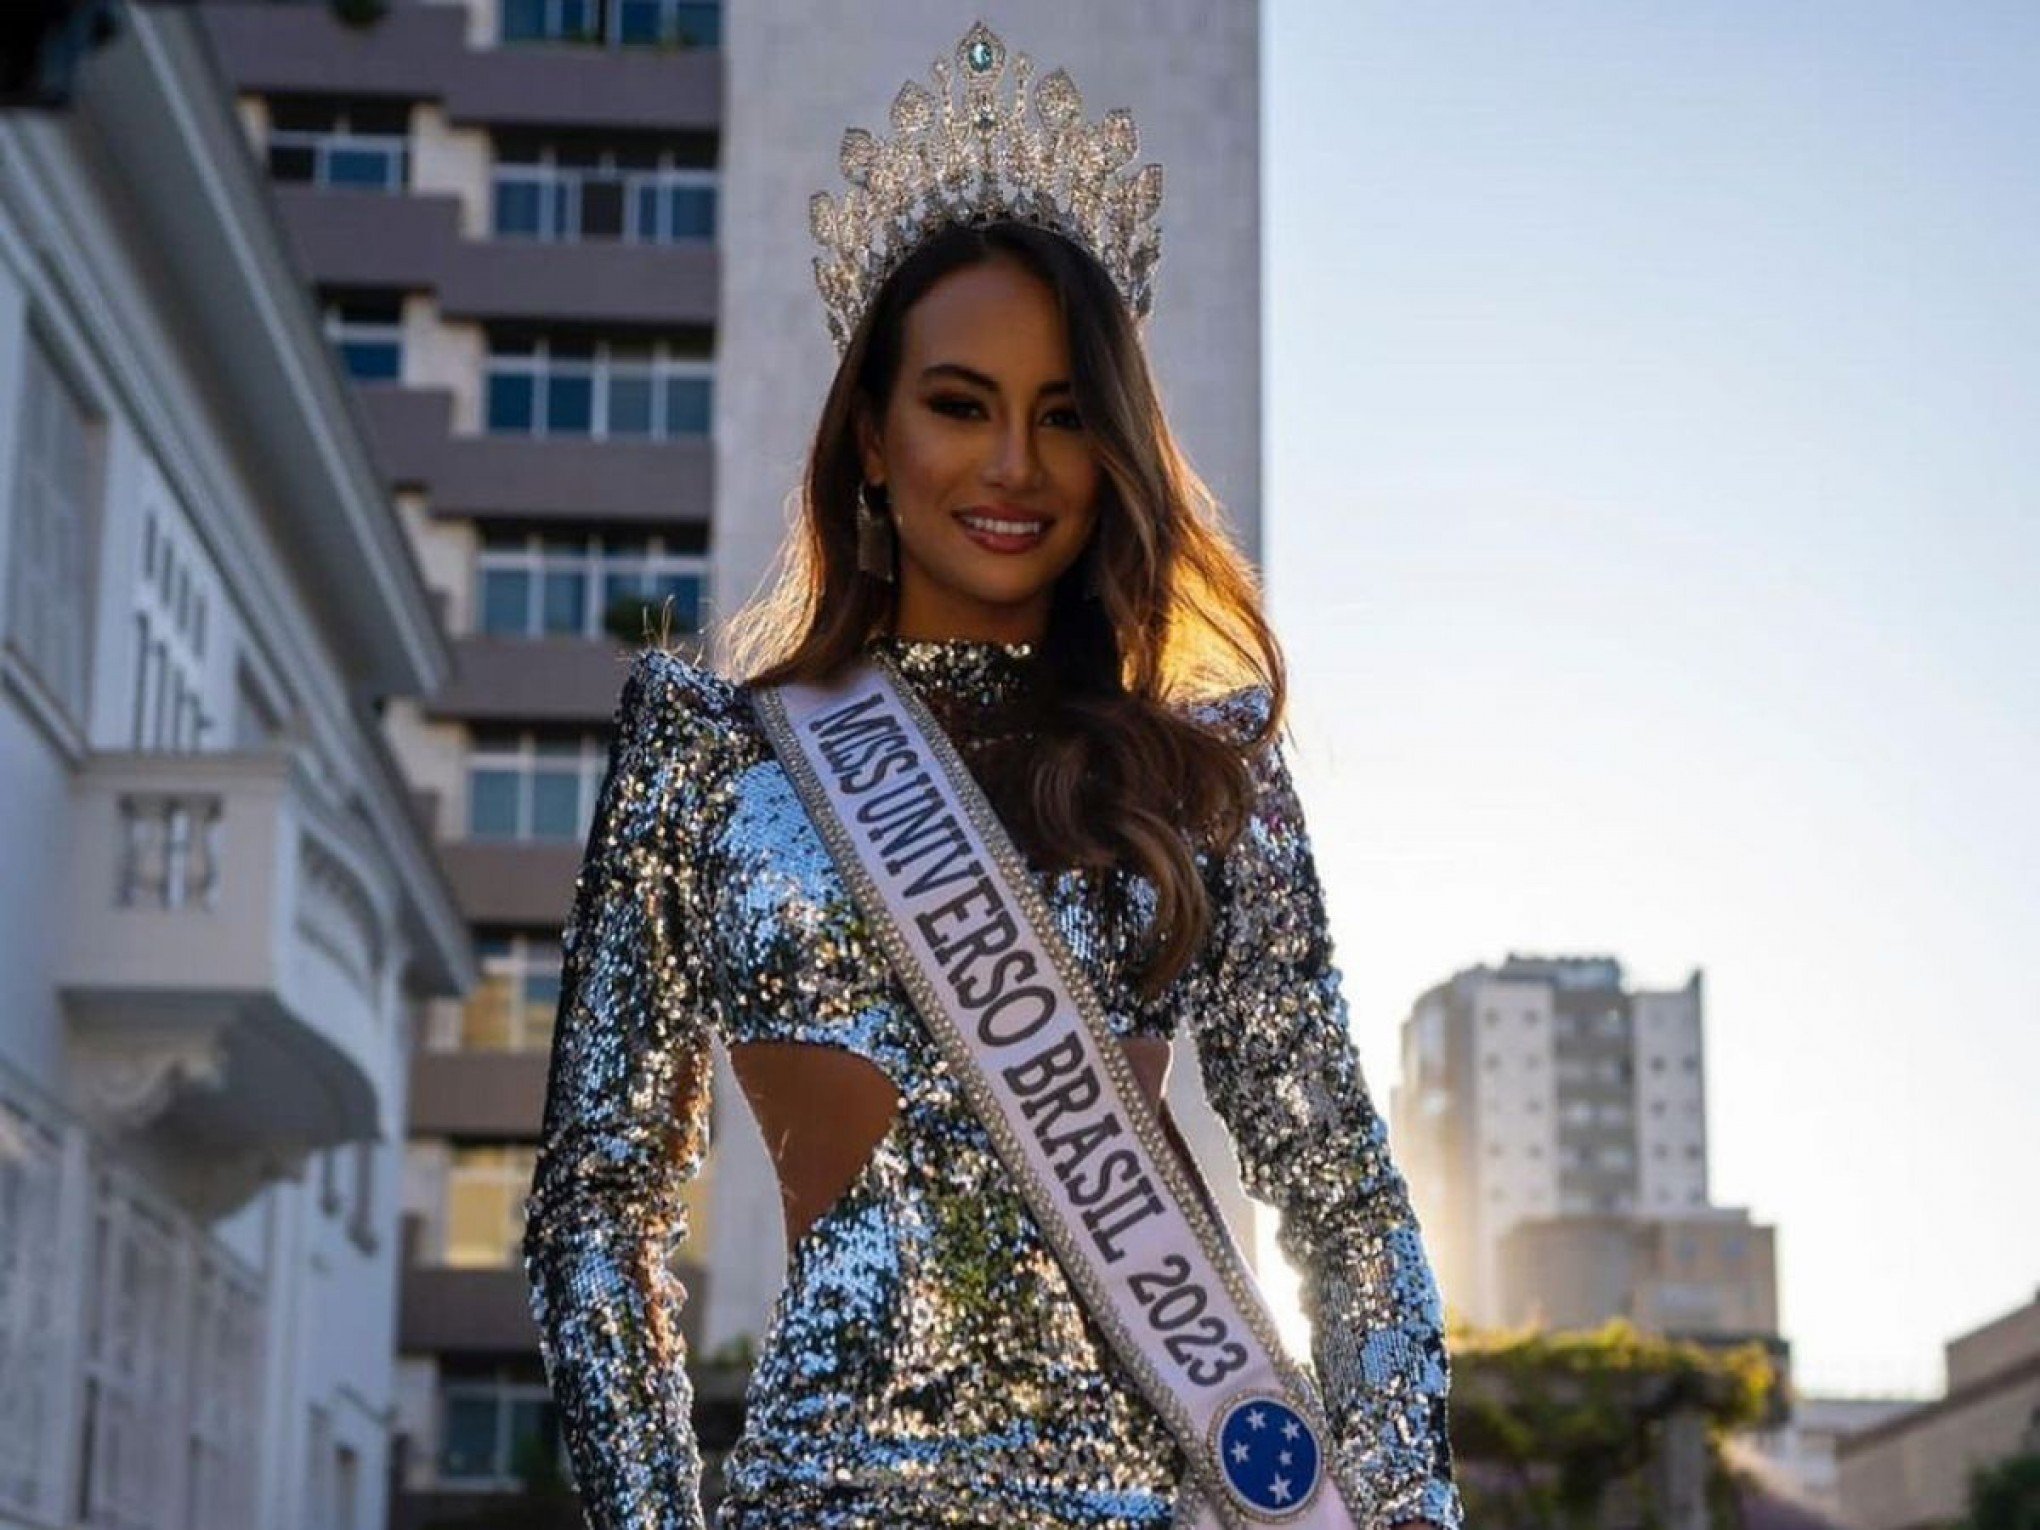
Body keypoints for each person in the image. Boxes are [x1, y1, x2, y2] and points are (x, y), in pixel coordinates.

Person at [521, 22, 1462, 1530]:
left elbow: (1343, 1195)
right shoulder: (711, 756)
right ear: (874, 443)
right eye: (961, 404)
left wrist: (1407, 1501)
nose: (1014, 464)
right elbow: (600, 1203)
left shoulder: (1206, 774)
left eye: (1065, 414)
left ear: (1115, 456)